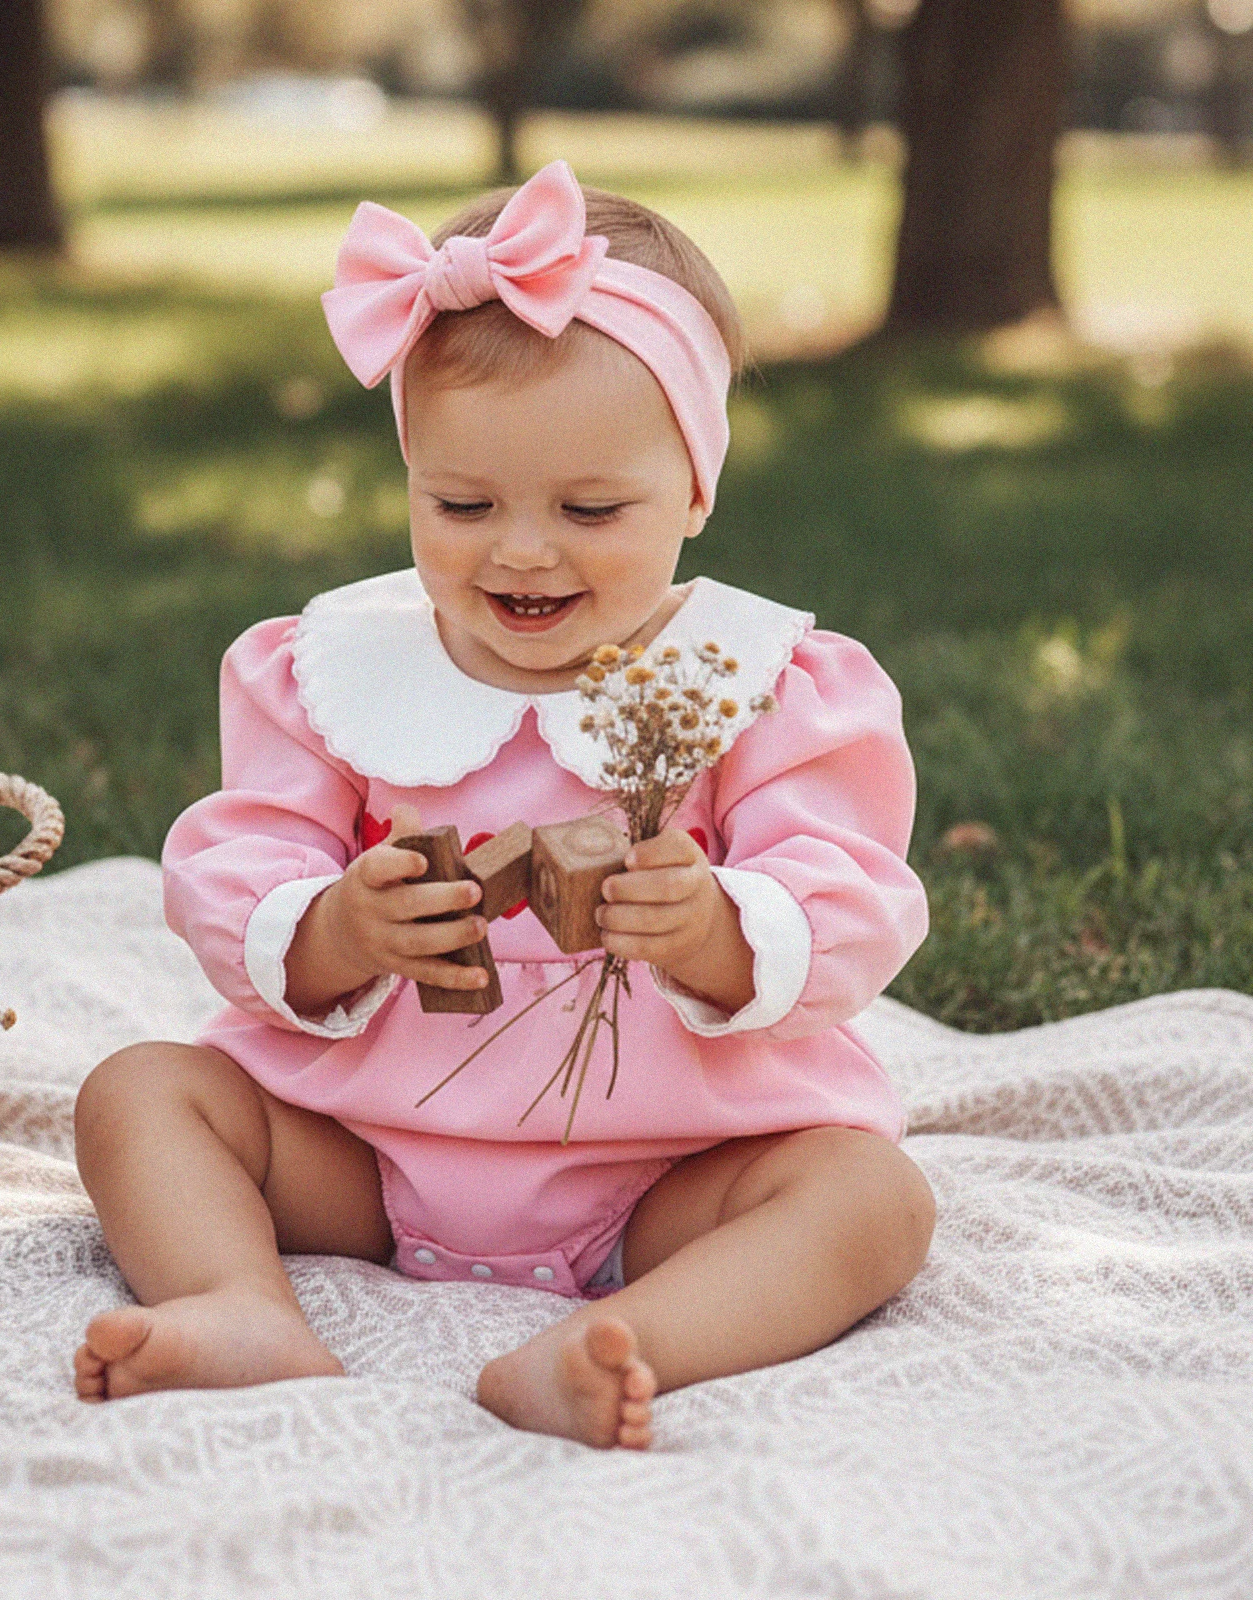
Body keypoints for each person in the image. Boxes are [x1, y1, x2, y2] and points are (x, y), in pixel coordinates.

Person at [72, 161, 935, 1449]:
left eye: (591, 509)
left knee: (872, 1200)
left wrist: (713, 923)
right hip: (366, 1146)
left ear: (695, 489)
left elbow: (853, 891)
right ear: (412, 478)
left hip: (663, 1168)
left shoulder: (764, 682)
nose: (521, 549)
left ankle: (618, 1341)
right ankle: (236, 1303)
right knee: (138, 1094)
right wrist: (333, 928)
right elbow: (240, 854)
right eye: (462, 505)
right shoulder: (330, 670)